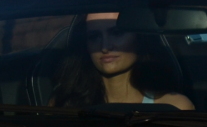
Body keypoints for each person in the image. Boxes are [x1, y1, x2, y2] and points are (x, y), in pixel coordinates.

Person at [52, 12, 194, 109]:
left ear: (139, 38)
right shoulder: (64, 106)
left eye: (116, 33)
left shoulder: (174, 106)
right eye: (94, 37)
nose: (105, 46)